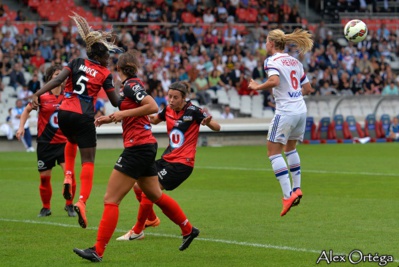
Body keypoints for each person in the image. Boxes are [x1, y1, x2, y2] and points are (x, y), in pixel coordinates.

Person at [73, 50, 201, 263]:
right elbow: (135, 111)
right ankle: (188, 229)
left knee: (111, 199)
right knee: (154, 195)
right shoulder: (129, 87)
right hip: (145, 146)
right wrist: (110, 118)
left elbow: (151, 106)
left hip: (138, 148)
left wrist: (121, 114)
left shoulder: (132, 85)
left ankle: (98, 250)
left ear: (119, 69)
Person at [31, 13, 121, 229]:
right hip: (83, 116)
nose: (108, 60)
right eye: (106, 57)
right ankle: (81, 201)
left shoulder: (75, 62)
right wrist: (125, 91)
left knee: (70, 142)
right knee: (88, 160)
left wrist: (36, 93)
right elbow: (116, 101)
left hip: (64, 113)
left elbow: (58, 79)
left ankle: (68, 177)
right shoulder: (104, 72)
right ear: (100, 57)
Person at [115, 81, 220, 241]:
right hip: (167, 159)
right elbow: (155, 119)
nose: (171, 100)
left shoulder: (194, 111)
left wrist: (208, 123)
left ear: (184, 98)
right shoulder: (168, 110)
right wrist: (136, 115)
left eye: (175, 97)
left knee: (150, 191)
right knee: (137, 185)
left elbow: (217, 127)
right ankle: (151, 219)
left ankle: (137, 230)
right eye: (169, 96)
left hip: (182, 163)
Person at [248, 28, 314, 217]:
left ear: (271, 43)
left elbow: (275, 80)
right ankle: (297, 187)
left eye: (266, 41)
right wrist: (294, 95)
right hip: (301, 110)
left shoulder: (271, 61)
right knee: (291, 149)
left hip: (286, 111)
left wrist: (257, 86)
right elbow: (308, 88)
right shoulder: (295, 61)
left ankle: (287, 196)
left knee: (272, 152)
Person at [16, 65, 77, 217]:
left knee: (70, 176)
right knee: (44, 179)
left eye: (62, 75)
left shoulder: (68, 96)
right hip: (45, 144)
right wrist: (21, 127)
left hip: (65, 143)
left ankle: (69, 205)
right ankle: (46, 207)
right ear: (50, 77)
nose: (61, 78)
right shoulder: (41, 96)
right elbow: (26, 111)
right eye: (58, 74)